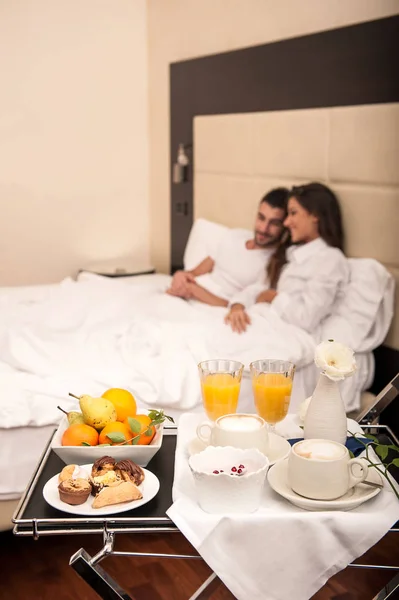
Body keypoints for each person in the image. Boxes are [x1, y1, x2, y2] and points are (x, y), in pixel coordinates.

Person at [225, 182, 349, 333]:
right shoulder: (290, 254)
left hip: (290, 335)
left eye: (293, 213)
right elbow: (258, 287)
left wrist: (273, 297)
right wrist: (238, 306)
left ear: (315, 216)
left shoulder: (330, 260)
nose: (286, 222)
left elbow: (307, 318)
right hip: (264, 321)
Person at [166, 188, 290, 306]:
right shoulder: (235, 235)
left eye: (274, 223)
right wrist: (182, 276)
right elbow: (195, 272)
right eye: (261, 218)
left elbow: (238, 306)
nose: (263, 228)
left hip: (214, 309)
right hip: (188, 296)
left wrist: (195, 291)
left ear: (285, 226)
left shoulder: (273, 263)